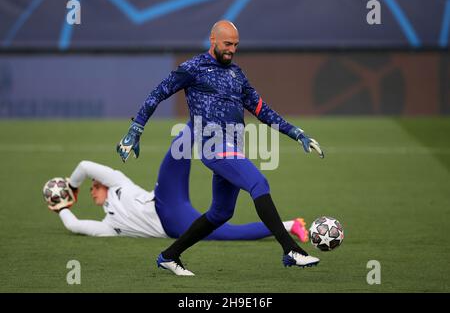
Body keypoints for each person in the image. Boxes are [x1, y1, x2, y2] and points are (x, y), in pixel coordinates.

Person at [117, 20, 324, 276]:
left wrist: (296, 133)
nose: (232, 50)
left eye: (236, 45)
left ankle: (169, 256)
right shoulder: (193, 68)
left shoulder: (237, 74)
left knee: (221, 212)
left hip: (233, 147)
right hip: (213, 145)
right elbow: (157, 94)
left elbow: (262, 110)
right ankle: (291, 251)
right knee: (259, 184)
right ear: (212, 40)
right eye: (227, 44)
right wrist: (135, 130)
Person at [48, 138, 309, 242]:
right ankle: (291, 225)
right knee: (230, 234)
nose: (93, 191)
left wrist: (72, 186)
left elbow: (84, 165)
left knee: (178, 149)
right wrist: (61, 206)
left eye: (95, 186)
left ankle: (199, 116)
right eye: (92, 188)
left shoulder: (118, 182)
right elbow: (75, 226)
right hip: (174, 226)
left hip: (164, 202)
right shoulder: (109, 226)